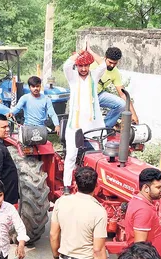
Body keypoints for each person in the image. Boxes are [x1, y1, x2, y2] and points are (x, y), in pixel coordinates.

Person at [50, 167, 110, 259]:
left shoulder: (61, 202)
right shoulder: (98, 211)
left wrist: (56, 257)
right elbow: (98, 250)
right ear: (96, 186)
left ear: (75, 184)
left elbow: (53, 235)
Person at [62, 44, 106, 195]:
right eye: (80, 66)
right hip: (75, 125)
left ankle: (99, 186)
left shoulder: (94, 76)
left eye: (86, 65)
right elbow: (67, 65)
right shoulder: (72, 77)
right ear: (77, 66)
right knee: (71, 156)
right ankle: (67, 186)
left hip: (94, 124)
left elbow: (104, 64)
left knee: (101, 154)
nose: (83, 69)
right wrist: (80, 53)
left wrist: (91, 52)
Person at [91, 47, 139, 127]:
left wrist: (133, 114)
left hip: (98, 95)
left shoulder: (115, 72)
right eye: (110, 62)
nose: (112, 65)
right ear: (105, 57)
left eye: (115, 63)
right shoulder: (93, 63)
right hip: (85, 95)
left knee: (122, 104)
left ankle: (105, 128)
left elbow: (123, 94)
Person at [124, 168, 161, 258]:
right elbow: (140, 247)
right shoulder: (143, 210)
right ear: (146, 188)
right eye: (158, 187)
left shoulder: (140, 201)